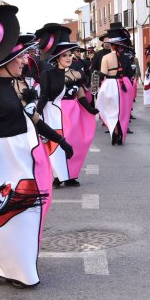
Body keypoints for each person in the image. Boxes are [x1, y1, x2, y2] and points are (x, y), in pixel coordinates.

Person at [0, 0, 74, 288]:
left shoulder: (15, 88)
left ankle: (18, 269)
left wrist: (60, 140)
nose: (24, 61)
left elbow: (33, 119)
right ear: (6, 63)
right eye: (20, 58)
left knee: (23, 218)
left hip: (20, 160)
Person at [37, 26, 98, 188]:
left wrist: (89, 108)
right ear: (57, 58)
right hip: (54, 112)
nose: (69, 57)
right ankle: (58, 176)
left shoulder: (76, 73)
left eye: (70, 55)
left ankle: (71, 175)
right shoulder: (47, 75)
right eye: (65, 55)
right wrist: (36, 114)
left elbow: (79, 94)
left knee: (76, 143)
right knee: (57, 144)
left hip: (74, 113)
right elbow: (43, 96)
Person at [96, 23, 133, 145]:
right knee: (123, 111)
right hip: (124, 85)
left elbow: (103, 73)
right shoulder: (127, 57)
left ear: (111, 46)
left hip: (110, 85)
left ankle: (114, 132)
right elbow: (129, 73)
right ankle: (121, 132)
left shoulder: (105, 57)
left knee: (111, 110)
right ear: (121, 46)